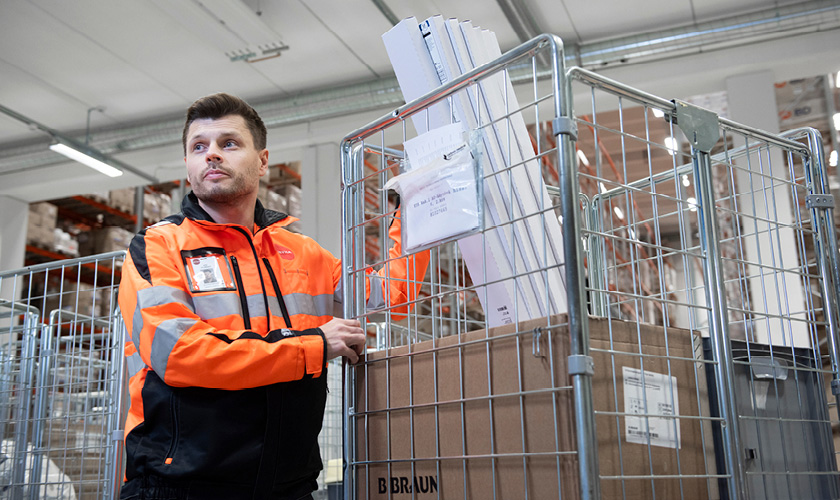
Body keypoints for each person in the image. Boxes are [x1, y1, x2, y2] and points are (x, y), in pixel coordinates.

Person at [118, 93, 429, 499]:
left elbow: (394, 296)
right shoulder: (158, 246)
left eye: (228, 143)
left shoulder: (302, 253)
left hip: (288, 485)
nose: (211, 154)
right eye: (199, 147)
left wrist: (416, 205)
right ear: (188, 165)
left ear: (262, 161)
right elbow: (178, 354)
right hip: (182, 486)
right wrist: (313, 346)